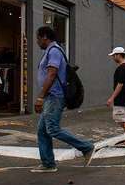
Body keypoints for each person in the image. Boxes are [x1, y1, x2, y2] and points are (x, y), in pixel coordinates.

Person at [33, 26, 95, 173]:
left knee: (52, 129)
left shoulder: (54, 51)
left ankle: (86, 147)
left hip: (54, 97)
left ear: (45, 37)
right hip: (51, 97)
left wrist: (40, 97)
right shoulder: (51, 51)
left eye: (38, 38)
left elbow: (52, 74)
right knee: (42, 131)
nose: (37, 41)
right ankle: (48, 163)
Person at [107, 46, 125, 147]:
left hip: (123, 96)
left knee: (123, 119)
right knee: (124, 118)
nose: (113, 58)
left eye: (114, 55)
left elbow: (120, 84)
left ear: (118, 55)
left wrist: (112, 98)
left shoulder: (123, 68)